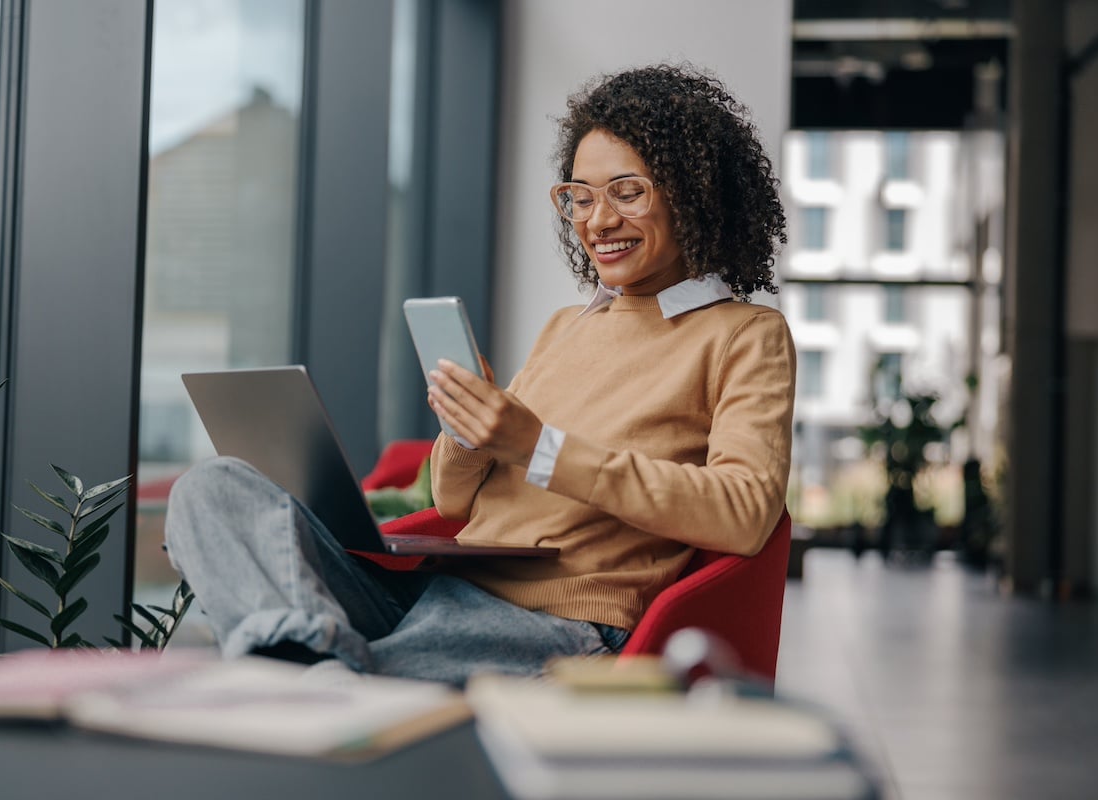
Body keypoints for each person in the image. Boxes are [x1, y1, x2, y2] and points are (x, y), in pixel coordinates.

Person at [164, 63, 795, 688]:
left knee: (348, 672)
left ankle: (305, 676)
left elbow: (743, 514)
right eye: (579, 196)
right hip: (442, 596)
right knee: (212, 488)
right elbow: (454, 500)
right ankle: (311, 667)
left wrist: (538, 448)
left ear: (693, 192)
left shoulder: (743, 334)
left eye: (627, 193)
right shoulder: (567, 326)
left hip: (556, 629)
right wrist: (466, 434)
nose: (597, 221)